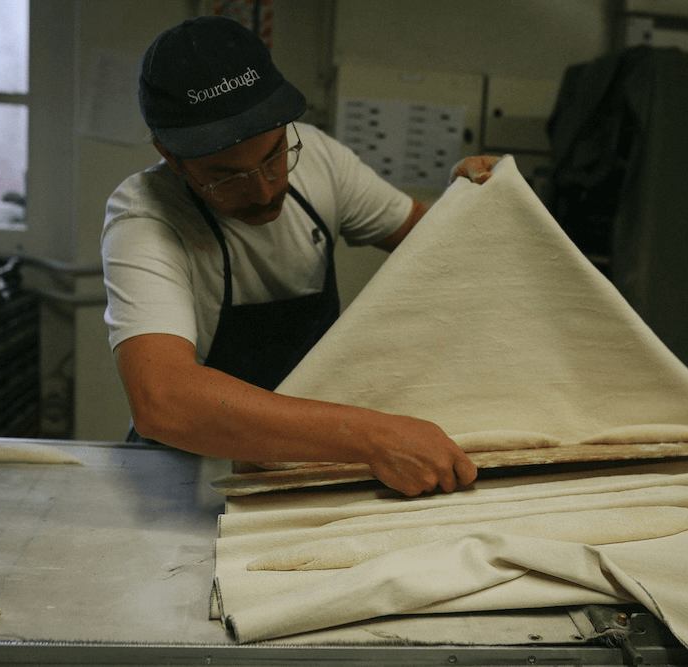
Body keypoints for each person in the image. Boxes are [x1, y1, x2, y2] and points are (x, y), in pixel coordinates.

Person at [102, 15, 498, 497]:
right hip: (187, 472)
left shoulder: (323, 161)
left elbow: (441, 245)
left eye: (273, 156)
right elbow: (163, 400)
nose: (265, 190)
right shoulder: (144, 217)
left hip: (307, 456)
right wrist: (373, 436)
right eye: (225, 177)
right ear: (169, 153)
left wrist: (470, 204)